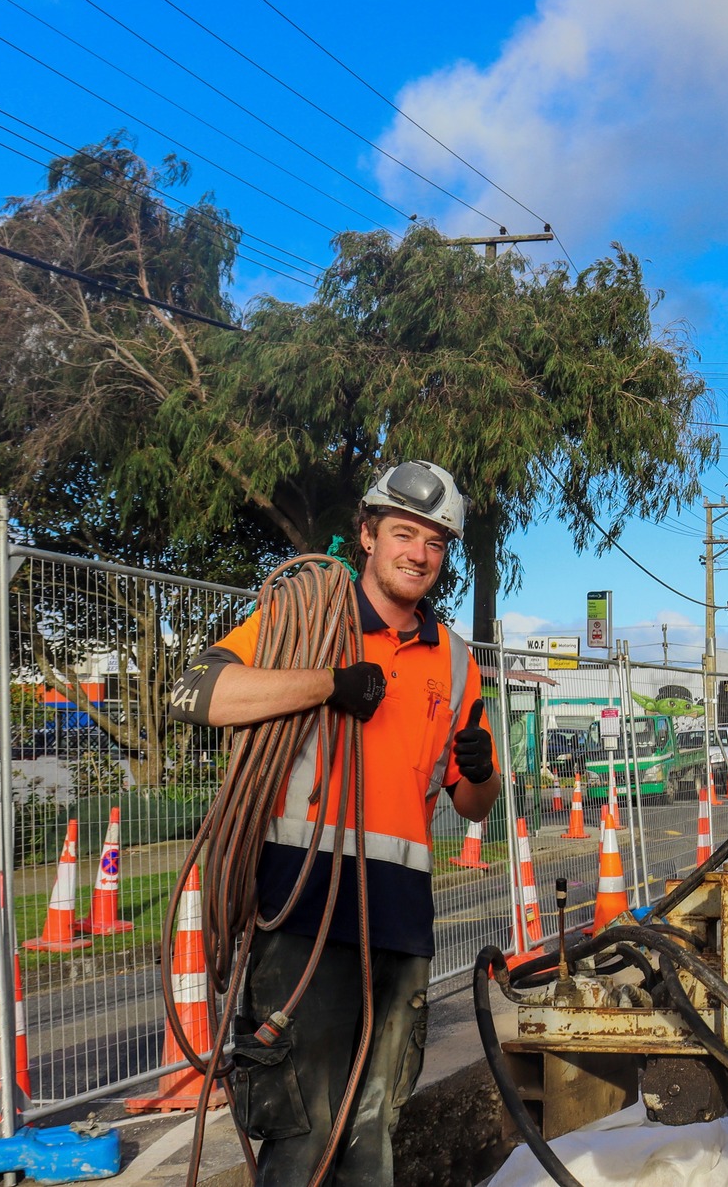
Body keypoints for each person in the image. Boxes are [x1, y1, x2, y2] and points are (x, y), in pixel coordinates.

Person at [168, 460, 500, 1186]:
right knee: (303, 1134)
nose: (419, 553)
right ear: (367, 536)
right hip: (304, 910)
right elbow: (195, 692)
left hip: (400, 921)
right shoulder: (307, 623)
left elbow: (473, 805)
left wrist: (480, 772)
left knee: (374, 1132)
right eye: (404, 533)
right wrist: (327, 685)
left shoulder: (454, 659)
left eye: (435, 542)